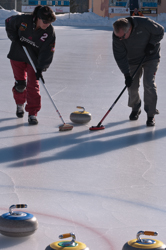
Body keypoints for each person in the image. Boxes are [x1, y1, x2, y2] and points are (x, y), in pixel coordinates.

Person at [5, 5, 56, 125]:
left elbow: (48, 51)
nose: (47, 24)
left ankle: (32, 113)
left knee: (33, 85)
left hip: (33, 60)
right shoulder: (24, 20)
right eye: (45, 21)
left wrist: (41, 67)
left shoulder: (49, 32)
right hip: (17, 55)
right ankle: (19, 104)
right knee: (20, 85)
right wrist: (15, 38)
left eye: (50, 22)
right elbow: (8, 22)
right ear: (38, 18)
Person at [112, 17, 164, 126]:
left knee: (149, 83)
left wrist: (152, 44)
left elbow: (160, 31)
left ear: (129, 29)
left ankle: (151, 114)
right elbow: (120, 57)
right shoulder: (117, 37)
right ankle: (136, 107)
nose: (120, 39)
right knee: (132, 86)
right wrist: (126, 75)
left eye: (122, 37)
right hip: (132, 60)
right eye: (118, 37)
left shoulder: (144, 23)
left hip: (150, 56)